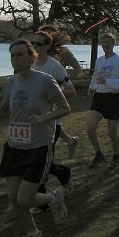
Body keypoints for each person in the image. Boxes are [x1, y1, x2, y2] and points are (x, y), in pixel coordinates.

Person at [0, 39, 71, 237]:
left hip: (39, 145)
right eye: (12, 55)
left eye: (20, 55)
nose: (15, 59)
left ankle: (53, 198)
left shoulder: (45, 81)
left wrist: (44, 117)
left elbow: (65, 108)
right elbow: (5, 111)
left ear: (32, 57)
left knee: (25, 198)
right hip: (14, 146)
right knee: (14, 198)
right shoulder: (11, 82)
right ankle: (33, 235)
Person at [31, 30, 76, 210]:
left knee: (41, 162)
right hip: (32, 120)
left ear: (47, 47)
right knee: (38, 161)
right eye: (32, 43)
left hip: (52, 121)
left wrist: (51, 98)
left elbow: (71, 90)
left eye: (38, 44)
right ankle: (62, 174)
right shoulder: (29, 64)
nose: (34, 47)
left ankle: (43, 203)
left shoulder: (55, 66)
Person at [87, 32, 119, 170]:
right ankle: (99, 154)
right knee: (90, 128)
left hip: (114, 98)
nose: (105, 45)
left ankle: (116, 156)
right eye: (103, 42)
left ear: (113, 44)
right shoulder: (99, 60)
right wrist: (92, 87)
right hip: (100, 97)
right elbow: (95, 76)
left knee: (111, 132)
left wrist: (107, 81)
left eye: (108, 42)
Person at [40, 24, 82, 157]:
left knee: (53, 119)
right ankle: (70, 141)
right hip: (40, 92)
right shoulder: (37, 51)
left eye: (49, 34)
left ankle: (49, 157)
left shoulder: (64, 52)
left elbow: (77, 68)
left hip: (57, 91)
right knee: (47, 119)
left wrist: (64, 84)